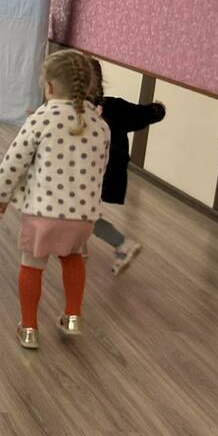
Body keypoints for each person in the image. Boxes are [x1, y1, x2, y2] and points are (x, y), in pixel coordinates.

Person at [0, 49, 110, 349]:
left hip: (43, 213)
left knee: (32, 264)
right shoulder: (100, 125)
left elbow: (14, 161)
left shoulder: (41, 118)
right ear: (89, 86)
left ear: (50, 86)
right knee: (73, 257)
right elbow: (100, 169)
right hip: (83, 217)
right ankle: (72, 317)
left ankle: (29, 328)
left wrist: (0, 196)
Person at [88, 58, 166, 274]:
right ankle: (90, 246)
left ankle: (121, 244)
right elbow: (146, 114)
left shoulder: (78, 111)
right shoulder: (113, 107)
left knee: (81, 213)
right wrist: (158, 109)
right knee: (82, 212)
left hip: (94, 174)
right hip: (105, 173)